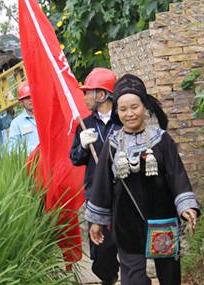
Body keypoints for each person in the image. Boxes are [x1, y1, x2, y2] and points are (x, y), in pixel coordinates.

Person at [85, 74, 200, 285]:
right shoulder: (112, 145)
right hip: (126, 224)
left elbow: (177, 176)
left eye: (134, 107)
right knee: (133, 278)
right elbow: (102, 186)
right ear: (116, 112)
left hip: (162, 220)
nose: (129, 114)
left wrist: (186, 207)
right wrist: (97, 222)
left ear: (145, 106)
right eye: (123, 109)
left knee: (169, 276)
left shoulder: (161, 139)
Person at [69, 68, 121, 285]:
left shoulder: (123, 120)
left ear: (101, 95)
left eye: (88, 92)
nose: (84, 97)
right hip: (95, 195)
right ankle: (108, 278)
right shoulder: (85, 124)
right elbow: (74, 158)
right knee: (101, 247)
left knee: (127, 243)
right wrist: (82, 146)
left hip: (123, 193)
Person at [8, 82, 39, 154]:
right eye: (27, 98)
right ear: (21, 102)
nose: (31, 100)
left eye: (32, 96)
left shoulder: (46, 117)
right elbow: (12, 148)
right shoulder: (17, 123)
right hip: (33, 162)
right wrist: (35, 151)